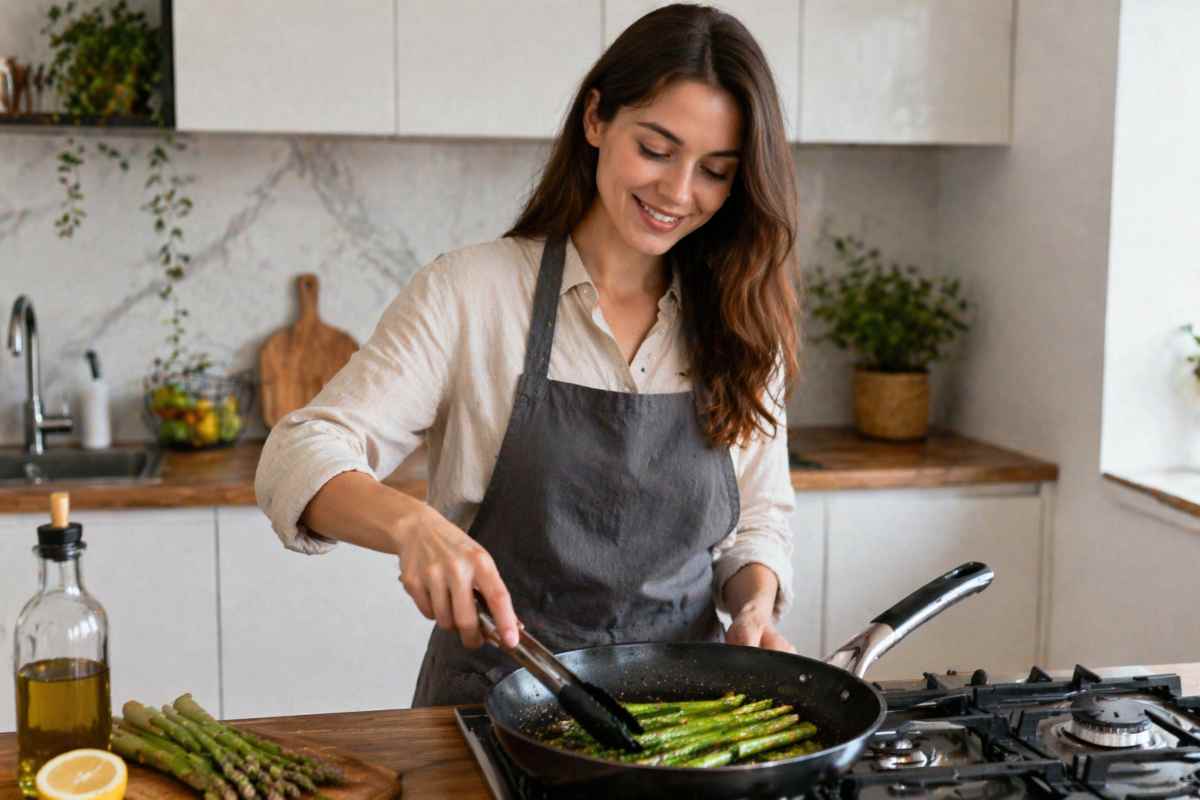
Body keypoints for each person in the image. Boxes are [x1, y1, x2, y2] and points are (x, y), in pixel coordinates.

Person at [255, 3, 801, 707]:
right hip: (492, 703)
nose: (678, 191)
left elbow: (756, 520)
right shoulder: (471, 293)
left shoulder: (740, 320)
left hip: (686, 720)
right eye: (656, 149)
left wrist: (754, 604)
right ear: (596, 119)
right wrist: (412, 525)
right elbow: (296, 453)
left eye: (715, 171)